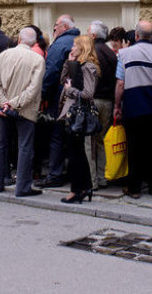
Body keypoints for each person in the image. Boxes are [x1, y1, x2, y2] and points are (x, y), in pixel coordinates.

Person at [115, 21, 152, 199]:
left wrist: (117, 105)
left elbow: (120, 83)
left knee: (134, 147)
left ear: (136, 36)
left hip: (132, 105)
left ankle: (135, 188)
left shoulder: (123, 54)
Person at [0, 27, 46, 197]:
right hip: (25, 110)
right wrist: (14, 104)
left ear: (19, 39)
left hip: (3, 108)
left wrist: (3, 102)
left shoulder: (4, 55)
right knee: (25, 147)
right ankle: (23, 187)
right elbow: (33, 89)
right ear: (34, 42)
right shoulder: (37, 59)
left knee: (0, 145)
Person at [39, 14, 80, 188]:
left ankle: (55, 174)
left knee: (57, 136)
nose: (54, 29)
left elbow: (51, 72)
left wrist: (43, 95)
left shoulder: (60, 44)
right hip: (78, 95)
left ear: (63, 26)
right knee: (73, 134)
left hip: (60, 97)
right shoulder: (80, 40)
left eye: (56, 25)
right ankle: (72, 173)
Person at [58, 35, 99, 204]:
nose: (72, 49)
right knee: (77, 152)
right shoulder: (78, 66)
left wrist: (70, 91)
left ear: (83, 48)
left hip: (78, 114)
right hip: (72, 113)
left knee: (76, 154)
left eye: (75, 46)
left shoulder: (88, 67)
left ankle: (77, 190)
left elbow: (88, 94)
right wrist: (68, 63)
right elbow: (62, 81)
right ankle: (84, 187)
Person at [87, 20, 117, 189]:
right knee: (101, 140)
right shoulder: (111, 52)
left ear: (93, 35)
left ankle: (93, 181)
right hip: (108, 101)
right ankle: (102, 177)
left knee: (89, 141)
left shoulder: (92, 52)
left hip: (93, 100)